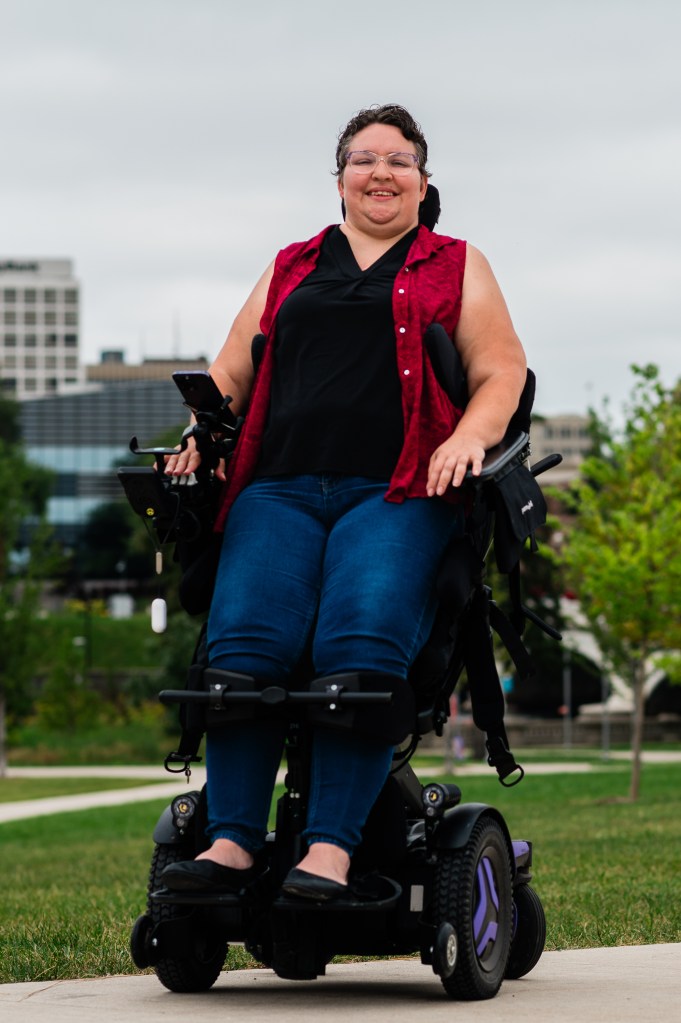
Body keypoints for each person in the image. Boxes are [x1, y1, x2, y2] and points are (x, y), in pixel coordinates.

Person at [160, 103, 526, 901]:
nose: (380, 172)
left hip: (399, 489)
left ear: (422, 182)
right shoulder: (291, 265)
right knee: (243, 650)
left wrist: (468, 435)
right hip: (278, 488)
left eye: (398, 160)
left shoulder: (455, 263)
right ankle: (232, 841)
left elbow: (501, 369)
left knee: (359, 647)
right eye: (364, 159)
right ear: (340, 179)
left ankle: (330, 848)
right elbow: (229, 372)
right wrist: (197, 435)